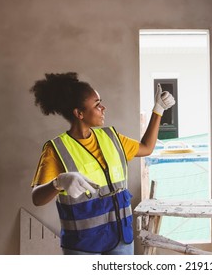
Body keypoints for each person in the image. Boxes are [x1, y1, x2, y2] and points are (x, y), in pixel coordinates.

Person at [30, 72, 175, 255]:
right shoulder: (56, 149)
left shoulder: (111, 138)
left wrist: (158, 110)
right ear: (79, 113)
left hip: (120, 240)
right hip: (82, 246)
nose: (103, 108)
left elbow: (146, 147)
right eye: (97, 105)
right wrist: (58, 183)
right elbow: (37, 198)